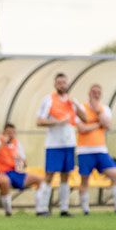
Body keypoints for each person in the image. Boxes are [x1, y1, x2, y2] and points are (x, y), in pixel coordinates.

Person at [75, 83, 116, 215]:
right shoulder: (81, 108)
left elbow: (107, 124)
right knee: (85, 179)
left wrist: (98, 111)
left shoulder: (104, 109)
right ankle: (85, 210)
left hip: (101, 150)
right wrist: (97, 125)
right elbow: (81, 129)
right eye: (93, 92)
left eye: (98, 92)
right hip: (85, 151)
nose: (96, 94)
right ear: (89, 93)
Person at [35, 73, 86, 217]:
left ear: (67, 84)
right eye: (59, 83)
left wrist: (76, 105)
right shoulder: (49, 99)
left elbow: (85, 118)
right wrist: (57, 122)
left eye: (64, 82)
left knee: (66, 175)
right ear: (55, 84)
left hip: (69, 143)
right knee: (49, 175)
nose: (62, 85)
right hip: (54, 145)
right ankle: (41, 208)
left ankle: (64, 208)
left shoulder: (72, 101)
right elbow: (39, 121)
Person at [0, 123, 43, 216]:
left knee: (39, 179)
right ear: (3, 132)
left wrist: (21, 161)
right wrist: (3, 144)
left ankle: (40, 209)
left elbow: (25, 163)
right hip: (1, 172)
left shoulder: (17, 144)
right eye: (8, 132)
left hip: (15, 172)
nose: (11, 135)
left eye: (13, 132)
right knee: (5, 181)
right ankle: (8, 210)